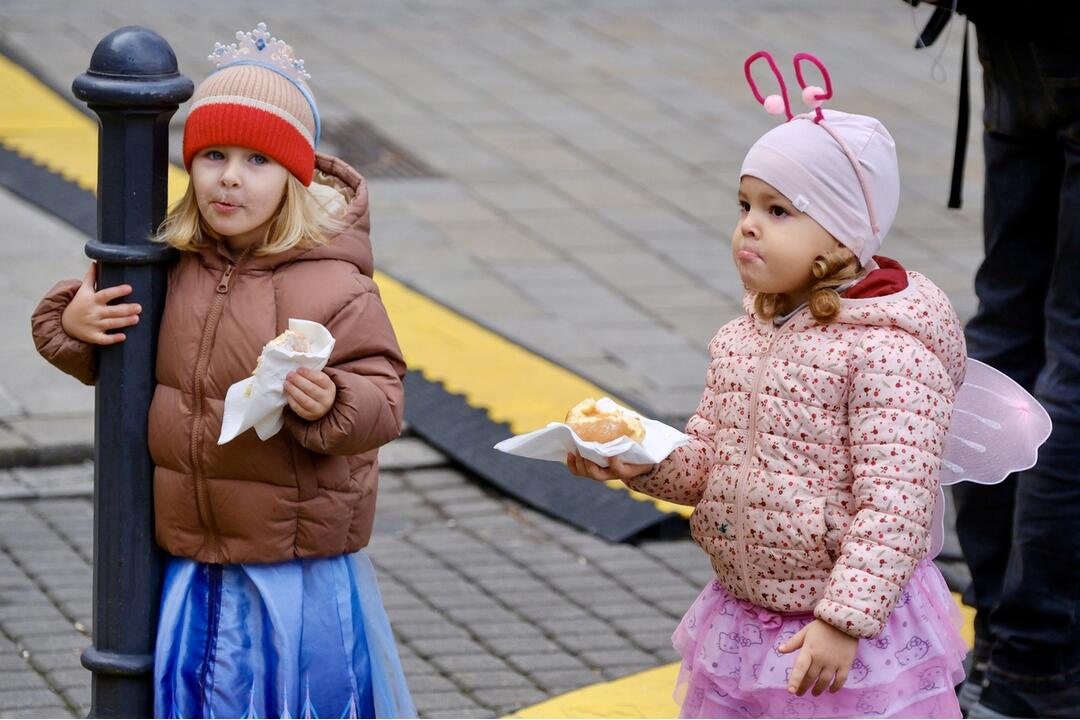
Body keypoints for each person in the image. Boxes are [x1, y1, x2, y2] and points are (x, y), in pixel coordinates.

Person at [567, 52, 969, 718]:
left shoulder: (889, 352)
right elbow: (707, 465)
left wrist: (845, 621)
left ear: (843, 232)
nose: (749, 224)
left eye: (779, 210)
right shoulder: (741, 337)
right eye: (746, 204)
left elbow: (895, 507)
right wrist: (638, 461)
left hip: (848, 636)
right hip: (750, 618)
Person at [30, 23, 414, 719]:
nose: (230, 176)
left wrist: (330, 401)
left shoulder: (335, 284)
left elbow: (384, 400)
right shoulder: (169, 262)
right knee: (200, 696)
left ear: (294, 177)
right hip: (194, 554)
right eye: (211, 155)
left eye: (256, 161)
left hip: (291, 562)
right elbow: (104, 337)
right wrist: (71, 325)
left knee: (286, 698)